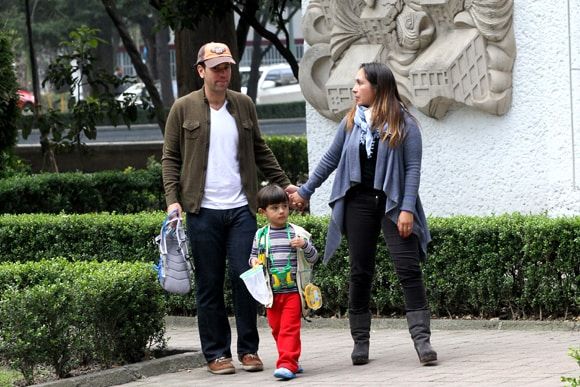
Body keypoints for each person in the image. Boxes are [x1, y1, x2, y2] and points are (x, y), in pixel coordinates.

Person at [161, 41, 298, 375]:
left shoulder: (243, 105)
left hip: (240, 208)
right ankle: (216, 353)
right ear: (201, 71)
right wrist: (172, 199)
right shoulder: (183, 108)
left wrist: (284, 184)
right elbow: (170, 158)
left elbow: (259, 148)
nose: (223, 73)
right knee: (209, 283)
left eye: (227, 67)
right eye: (216, 68)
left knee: (247, 277)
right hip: (201, 209)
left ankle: (248, 350)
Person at [289, 62, 437, 366]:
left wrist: (407, 208)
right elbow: (331, 158)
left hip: (393, 203)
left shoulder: (404, 124)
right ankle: (360, 342)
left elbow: (412, 170)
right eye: (354, 83)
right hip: (357, 202)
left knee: (408, 270)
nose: (354, 89)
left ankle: (422, 341)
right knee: (360, 271)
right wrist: (306, 191)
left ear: (378, 87)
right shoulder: (351, 121)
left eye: (360, 83)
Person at [248, 185, 318, 380]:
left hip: (293, 292)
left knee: (289, 328)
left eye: (284, 206)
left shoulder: (297, 233)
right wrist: (253, 262)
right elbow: (253, 257)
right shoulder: (260, 235)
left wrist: (304, 246)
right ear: (263, 212)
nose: (281, 211)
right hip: (271, 294)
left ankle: (287, 363)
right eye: (274, 208)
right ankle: (292, 360)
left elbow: (313, 258)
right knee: (277, 329)